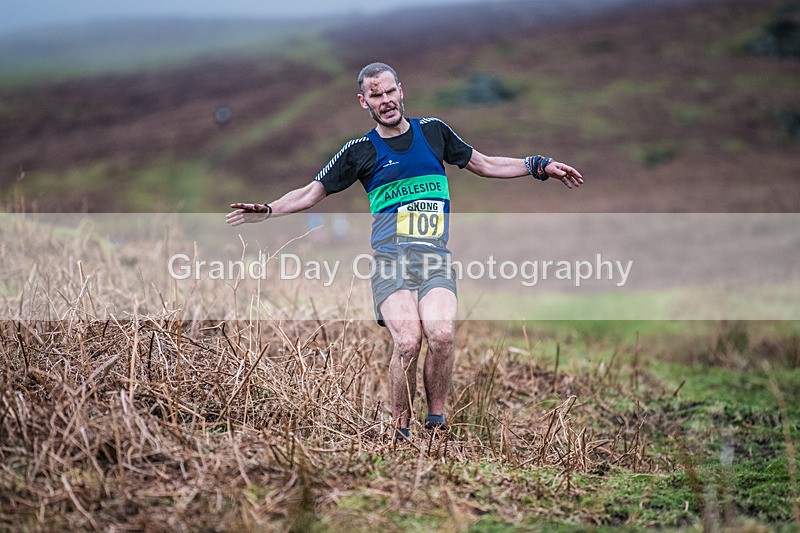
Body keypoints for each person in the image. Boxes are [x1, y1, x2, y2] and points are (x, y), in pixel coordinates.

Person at [226, 62, 583, 441]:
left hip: (434, 260)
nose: (385, 101)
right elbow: (310, 192)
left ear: (401, 90)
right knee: (408, 341)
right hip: (390, 261)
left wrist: (539, 165)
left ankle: (436, 423)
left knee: (442, 335)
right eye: (375, 96)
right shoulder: (359, 151)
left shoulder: (434, 132)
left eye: (389, 92)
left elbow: (485, 164)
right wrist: (268, 209)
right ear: (364, 101)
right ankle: (400, 430)